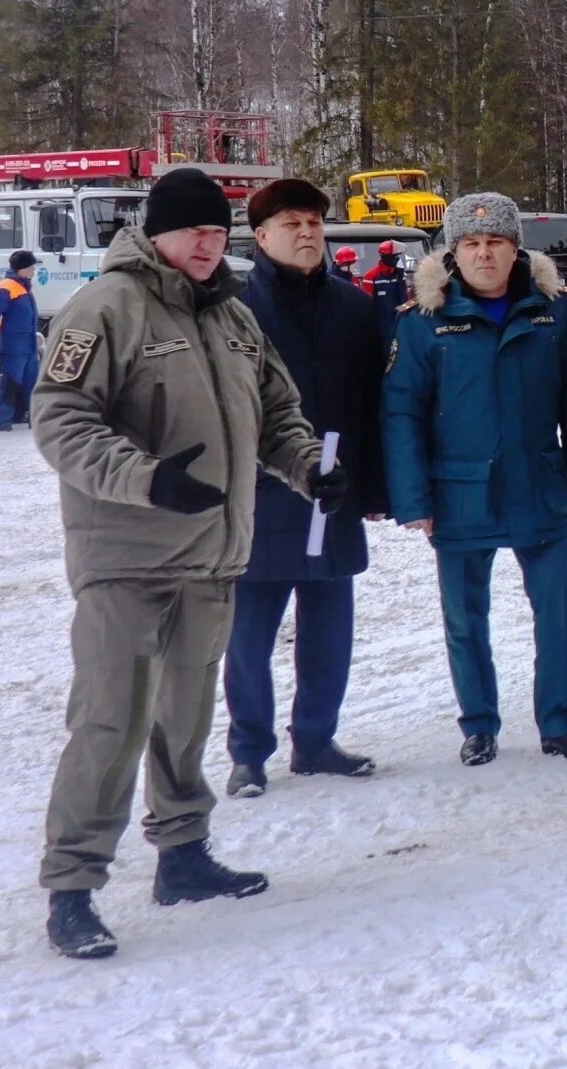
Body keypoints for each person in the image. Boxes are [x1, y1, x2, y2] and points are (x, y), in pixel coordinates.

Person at [32, 167, 345, 959]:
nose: (208, 245)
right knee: (110, 719)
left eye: (217, 232)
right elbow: (59, 419)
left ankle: (182, 853)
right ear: (156, 233)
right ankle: (72, 887)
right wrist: (145, 476)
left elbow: (277, 411)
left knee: (185, 714)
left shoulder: (233, 315)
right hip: (126, 559)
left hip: (210, 557)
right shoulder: (106, 308)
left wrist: (310, 467)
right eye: (193, 232)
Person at [383, 192, 567, 768]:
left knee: (558, 610)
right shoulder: (424, 322)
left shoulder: (550, 312)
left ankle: (560, 724)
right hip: (460, 494)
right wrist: (413, 498)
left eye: (496, 243)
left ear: (515, 250)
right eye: (472, 244)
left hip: (538, 483)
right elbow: (402, 413)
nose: (485, 254)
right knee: (465, 618)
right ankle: (479, 724)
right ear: (454, 254)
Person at [223, 179, 388, 800]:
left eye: (315, 222)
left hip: (335, 492)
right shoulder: (233, 309)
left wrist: (376, 488)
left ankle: (316, 740)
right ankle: (249, 752)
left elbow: (374, 404)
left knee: (328, 630)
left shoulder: (353, 306)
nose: (307, 232)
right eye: (291, 223)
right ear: (261, 236)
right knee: (248, 638)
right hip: (259, 496)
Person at [0, 249, 42, 430]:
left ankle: (24, 415)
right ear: (22, 268)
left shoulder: (24, 286)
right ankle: (3, 420)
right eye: (31, 267)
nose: (34, 270)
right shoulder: (7, 286)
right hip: (14, 345)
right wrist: (3, 327)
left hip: (29, 344)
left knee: (30, 382)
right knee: (11, 383)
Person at [359, 239, 408, 338]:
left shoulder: (399, 275)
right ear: (386, 257)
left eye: (398, 256)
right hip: (381, 327)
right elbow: (366, 306)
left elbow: (405, 299)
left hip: (400, 324)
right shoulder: (371, 276)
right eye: (395, 256)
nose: (398, 259)